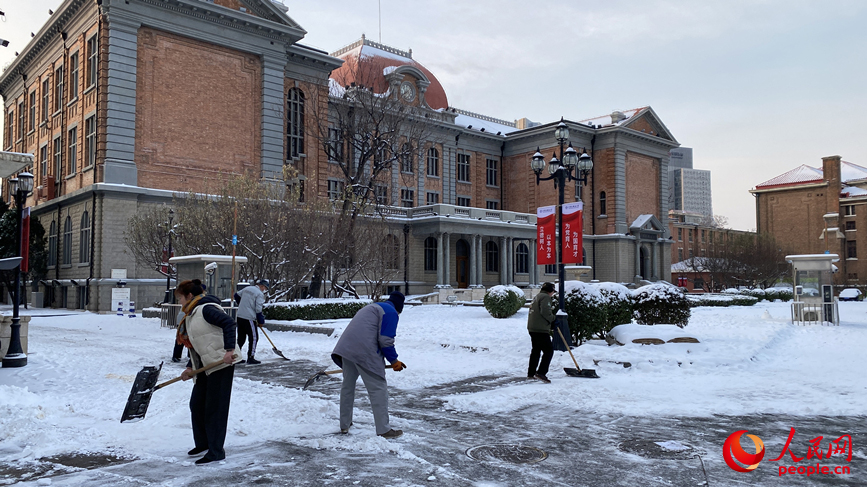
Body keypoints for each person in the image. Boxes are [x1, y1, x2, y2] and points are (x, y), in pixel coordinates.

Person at [176, 279, 242, 465]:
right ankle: (203, 443)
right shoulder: (191, 313)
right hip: (204, 364)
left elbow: (229, 324)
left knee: (215, 408)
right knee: (197, 404)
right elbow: (196, 344)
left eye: (180, 298)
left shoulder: (206, 309)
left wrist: (229, 350)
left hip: (221, 362)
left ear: (189, 296)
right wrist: (190, 367)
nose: (179, 302)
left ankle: (216, 451)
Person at [331, 292, 406, 439]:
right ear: (399, 308)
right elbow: (385, 340)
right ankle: (384, 430)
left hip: (346, 350)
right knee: (378, 388)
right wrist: (394, 361)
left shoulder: (373, 307)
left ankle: (344, 424)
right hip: (364, 352)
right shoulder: (391, 312)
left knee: (347, 387)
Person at [233, 279, 268, 365]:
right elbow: (258, 309)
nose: (264, 290)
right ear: (262, 286)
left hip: (240, 316)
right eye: (265, 288)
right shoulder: (259, 294)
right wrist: (260, 321)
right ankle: (251, 357)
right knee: (254, 337)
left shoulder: (247, 288)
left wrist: (241, 304)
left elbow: (236, 295)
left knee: (241, 338)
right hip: (249, 318)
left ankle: (236, 357)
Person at [527, 282, 556, 384]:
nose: (553, 294)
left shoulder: (537, 296)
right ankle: (541, 372)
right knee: (548, 351)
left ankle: (531, 373)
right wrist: (553, 319)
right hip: (540, 329)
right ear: (550, 291)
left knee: (536, 350)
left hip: (532, 328)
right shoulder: (545, 298)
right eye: (553, 292)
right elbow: (546, 312)